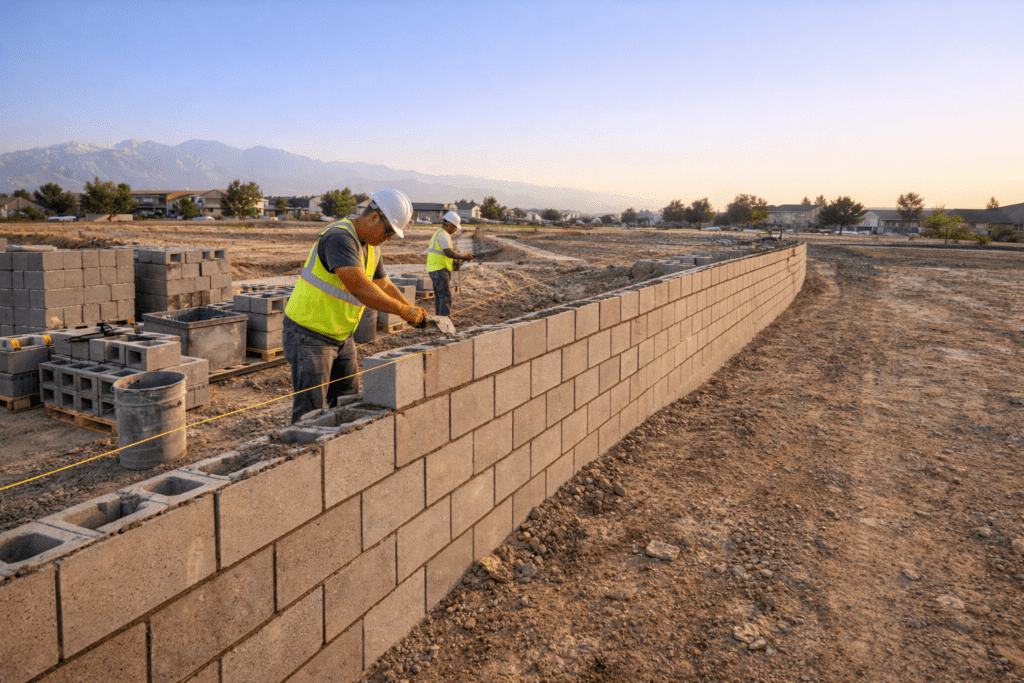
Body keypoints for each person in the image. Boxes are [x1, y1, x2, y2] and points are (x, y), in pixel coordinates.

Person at [282, 188, 427, 423]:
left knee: (348, 402)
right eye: (388, 231)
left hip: (341, 334)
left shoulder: (372, 248)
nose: (388, 238)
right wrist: (401, 311)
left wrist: (410, 308)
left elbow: (384, 285)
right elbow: (360, 288)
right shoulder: (339, 238)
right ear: (372, 217)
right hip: (309, 333)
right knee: (310, 414)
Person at [426, 210, 473, 316]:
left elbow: (442, 254)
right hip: (439, 269)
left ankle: (439, 320)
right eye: (455, 227)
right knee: (445, 296)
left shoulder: (438, 233)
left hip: (435, 268)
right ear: (450, 225)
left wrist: (456, 261)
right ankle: (444, 320)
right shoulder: (444, 235)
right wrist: (463, 256)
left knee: (440, 296)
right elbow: (448, 252)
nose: (456, 229)